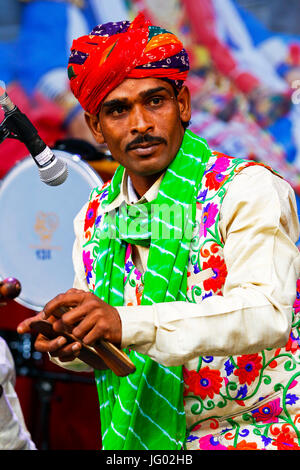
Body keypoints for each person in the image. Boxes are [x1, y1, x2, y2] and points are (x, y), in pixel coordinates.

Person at [18, 13, 300, 451]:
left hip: (258, 435)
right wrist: (70, 342)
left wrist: (122, 322)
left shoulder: (245, 190)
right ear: (96, 128)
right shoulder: (95, 214)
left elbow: (267, 314)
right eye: (117, 109)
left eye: (155, 101)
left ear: (183, 105)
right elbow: (115, 346)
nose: (140, 124)